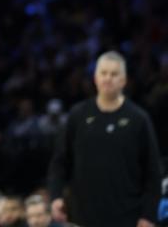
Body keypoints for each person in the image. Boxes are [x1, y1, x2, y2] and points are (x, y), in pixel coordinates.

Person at [47, 50, 163, 227]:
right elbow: (59, 162)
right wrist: (55, 196)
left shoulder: (138, 119)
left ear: (123, 80)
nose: (108, 78)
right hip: (82, 217)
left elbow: (153, 172)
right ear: (95, 77)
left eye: (114, 74)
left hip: (127, 218)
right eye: (103, 73)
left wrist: (148, 215)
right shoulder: (78, 115)